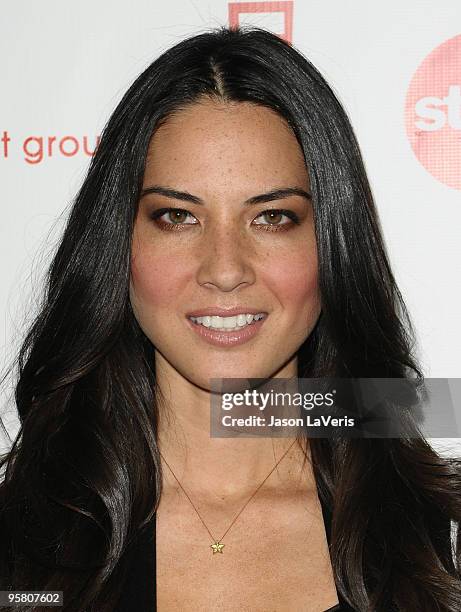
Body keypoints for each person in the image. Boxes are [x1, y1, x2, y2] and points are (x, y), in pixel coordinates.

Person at [0, 24, 460, 612]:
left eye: (272, 217)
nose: (224, 269)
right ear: (120, 242)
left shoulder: (440, 542)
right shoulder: (21, 549)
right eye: (177, 217)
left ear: (334, 244)